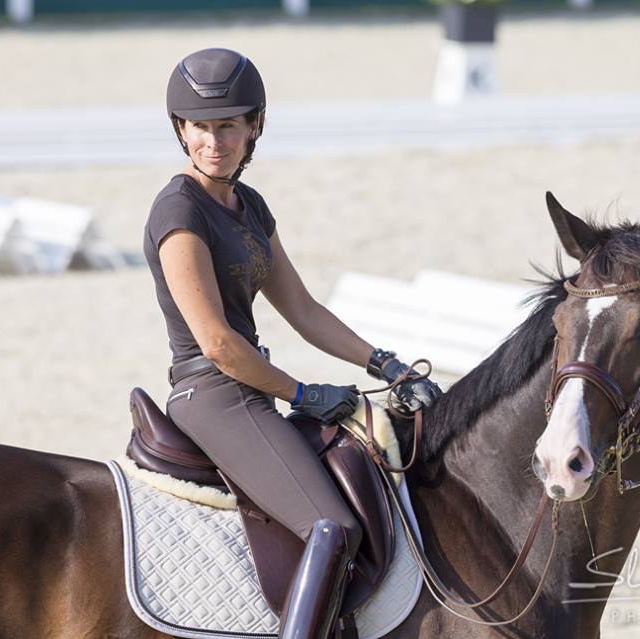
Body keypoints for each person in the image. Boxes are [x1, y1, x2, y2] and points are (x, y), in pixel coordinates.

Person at [143, 48, 441, 639]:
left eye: (228, 126)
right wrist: (303, 392)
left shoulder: (249, 207)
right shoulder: (179, 211)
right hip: (213, 393)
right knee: (332, 527)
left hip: (251, 388)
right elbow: (219, 342)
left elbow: (303, 310)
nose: (213, 141)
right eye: (199, 127)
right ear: (180, 129)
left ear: (255, 127)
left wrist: (385, 363)